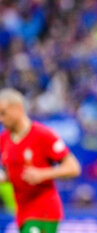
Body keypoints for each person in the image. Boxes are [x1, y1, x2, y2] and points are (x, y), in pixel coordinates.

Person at [0, 88, 81, 233]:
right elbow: (11, 174)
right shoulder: (4, 140)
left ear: (18, 109)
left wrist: (43, 174)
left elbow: (73, 167)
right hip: (22, 212)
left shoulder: (43, 135)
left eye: (3, 113)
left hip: (44, 211)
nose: (1, 119)